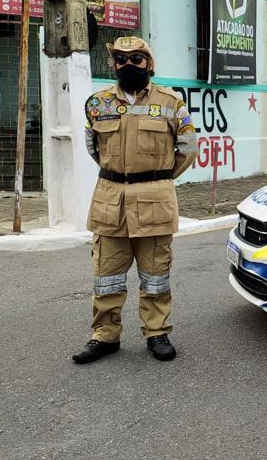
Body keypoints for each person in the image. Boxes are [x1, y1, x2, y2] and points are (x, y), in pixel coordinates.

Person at [72, 36, 198, 365]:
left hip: (155, 199)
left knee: (155, 276)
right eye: (121, 59)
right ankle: (105, 335)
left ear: (149, 64)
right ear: (114, 65)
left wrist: (157, 178)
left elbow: (187, 149)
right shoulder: (97, 104)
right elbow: (94, 149)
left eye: (137, 59)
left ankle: (157, 333)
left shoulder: (171, 103)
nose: (128, 65)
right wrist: (121, 175)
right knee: (106, 276)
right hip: (110, 201)